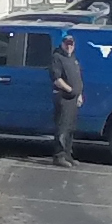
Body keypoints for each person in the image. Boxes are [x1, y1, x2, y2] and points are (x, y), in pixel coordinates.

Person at [48, 30, 84, 167]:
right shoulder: (57, 57)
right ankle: (59, 156)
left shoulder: (73, 58)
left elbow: (78, 78)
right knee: (62, 128)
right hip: (63, 98)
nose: (69, 46)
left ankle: (68, 155)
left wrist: (79, 94)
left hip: (74, 99)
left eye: (71, 44)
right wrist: (70, 90)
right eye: (67, 44)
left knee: (70, 128)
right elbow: (57, 79)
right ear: (62, 44)